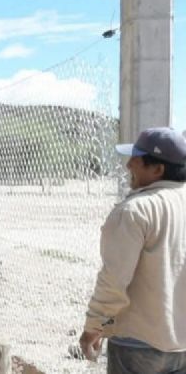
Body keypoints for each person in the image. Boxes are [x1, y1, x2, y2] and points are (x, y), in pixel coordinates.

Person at [80, 127, 186, 372]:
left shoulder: (135, 210)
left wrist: (93, 326)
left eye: (136, 160)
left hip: (138, 343)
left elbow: (113, 280)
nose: (128, 165)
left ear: (158, 169)